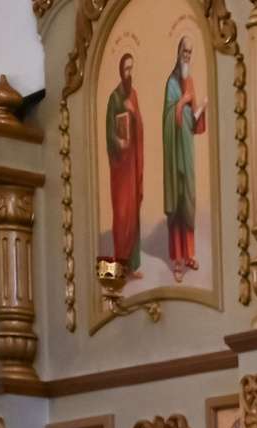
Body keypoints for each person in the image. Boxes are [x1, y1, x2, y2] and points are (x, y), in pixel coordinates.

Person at [163, 39, 205, 280]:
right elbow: (169, 118)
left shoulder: (190, 81)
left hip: (187, 151)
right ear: (178, 53)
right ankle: (177, 261)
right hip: (174, 154)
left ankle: (189, 253)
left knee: (189, 199)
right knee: (178, 204)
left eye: (190, 51)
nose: (187, 55)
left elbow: (194, 122)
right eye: (184, 51)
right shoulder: (171, 84)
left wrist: (201, 108)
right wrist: (182, 103)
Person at [105, 53, 142, 275]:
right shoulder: (113, 98)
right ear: (121, 71)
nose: (129, 73)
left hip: (132, 165)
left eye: (131, 68)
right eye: (126, 69)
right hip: (120, 166)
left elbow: (140, 129)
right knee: (121, 214)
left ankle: (133, 265)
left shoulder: (133, 96)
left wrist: (133, 112)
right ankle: (117, 269)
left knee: (133, 213)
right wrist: (117, 140)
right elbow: (109, 129)